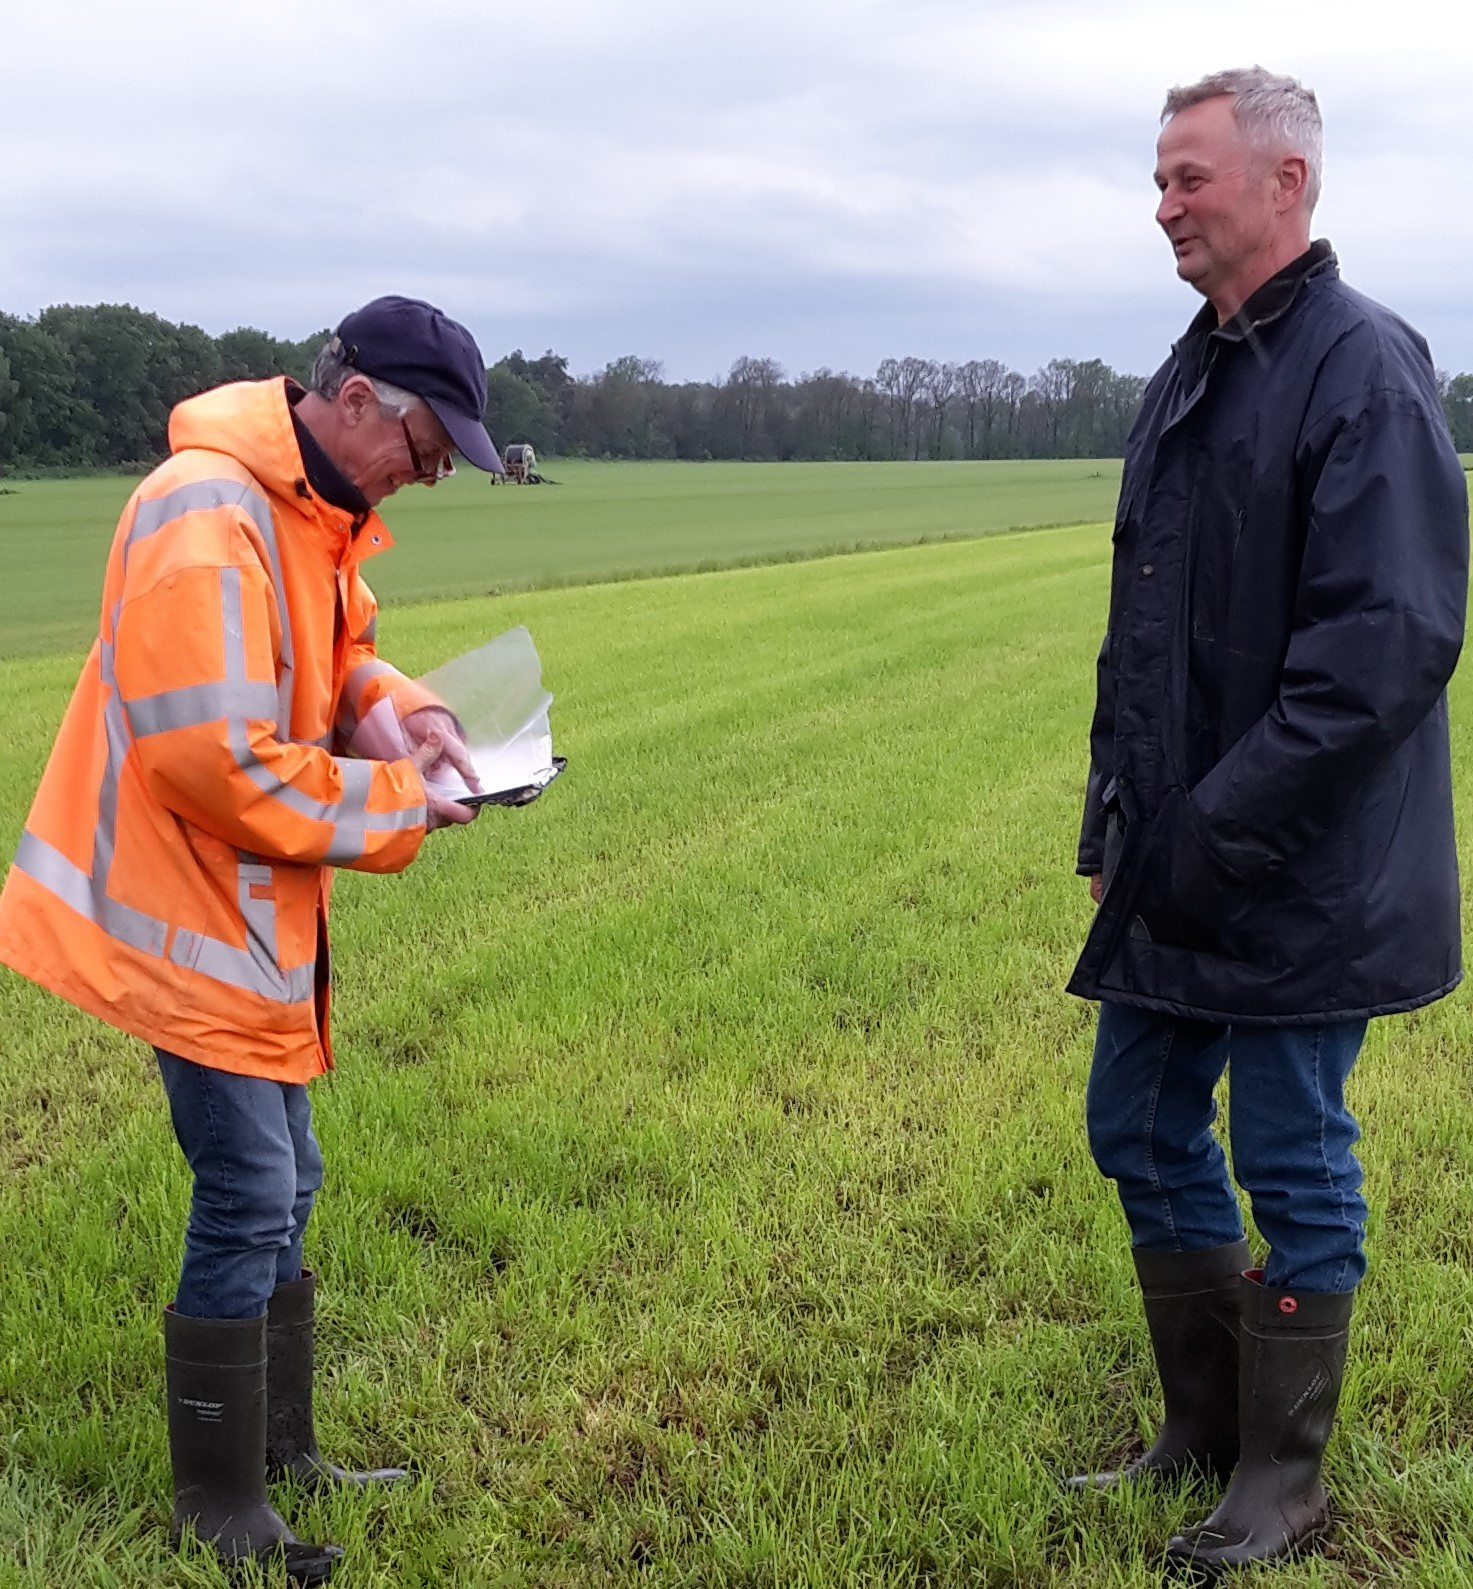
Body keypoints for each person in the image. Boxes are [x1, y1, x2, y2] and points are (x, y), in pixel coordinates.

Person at [0, 295, 514, 1584]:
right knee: (249, 1193)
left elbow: (335, 665)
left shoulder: (302, 517)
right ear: (353, 404)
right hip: (182, 922)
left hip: (244, 923)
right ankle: (219, 1505)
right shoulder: (210, 514)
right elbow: (217, 759)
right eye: (428, 445)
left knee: (292, 1185)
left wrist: (413, 715)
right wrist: (406, 802)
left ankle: (282, 1454)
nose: (435, 472)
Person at [1066, 68, 1468, 1574]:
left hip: (1308, 867)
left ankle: (1281, 1478)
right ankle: (1206, 1421)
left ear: (1284, 183)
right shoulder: (1192, 368)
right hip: (1180, 852)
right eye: (1158, 178)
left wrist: (1216, 828)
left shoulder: (1362, 368)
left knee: (1291, 1153)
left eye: (1188, 177)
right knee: (1136, 1121)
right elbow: (1140, 625)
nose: (1161, 203)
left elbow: (1386, 644)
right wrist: (1116, 809)